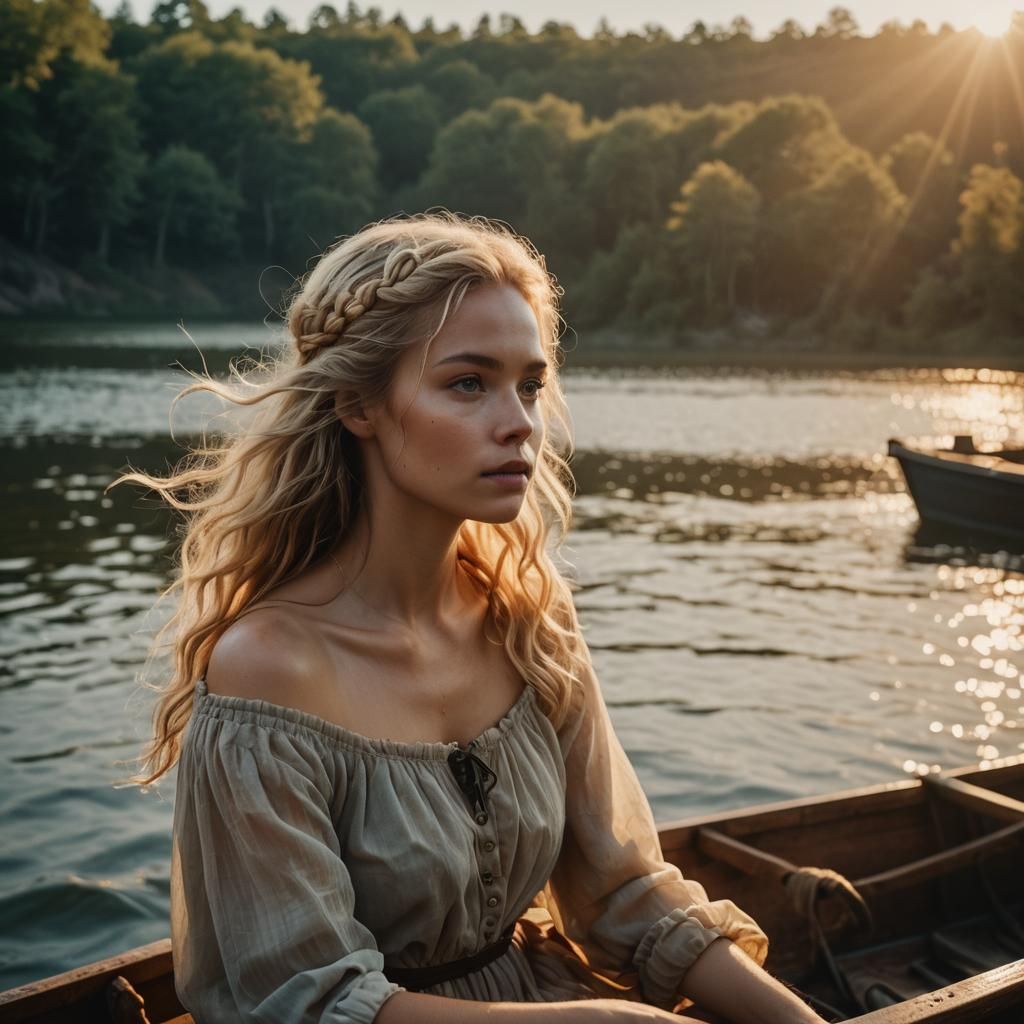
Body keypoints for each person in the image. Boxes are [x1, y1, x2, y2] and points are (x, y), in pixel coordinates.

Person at [120, 212, 825, 1024]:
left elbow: (624, 891)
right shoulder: (270, 668)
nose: (520, 421)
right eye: (468, 383)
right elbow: (307, 1002)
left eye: (529, 384)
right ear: (358, 404)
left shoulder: (527, 615)